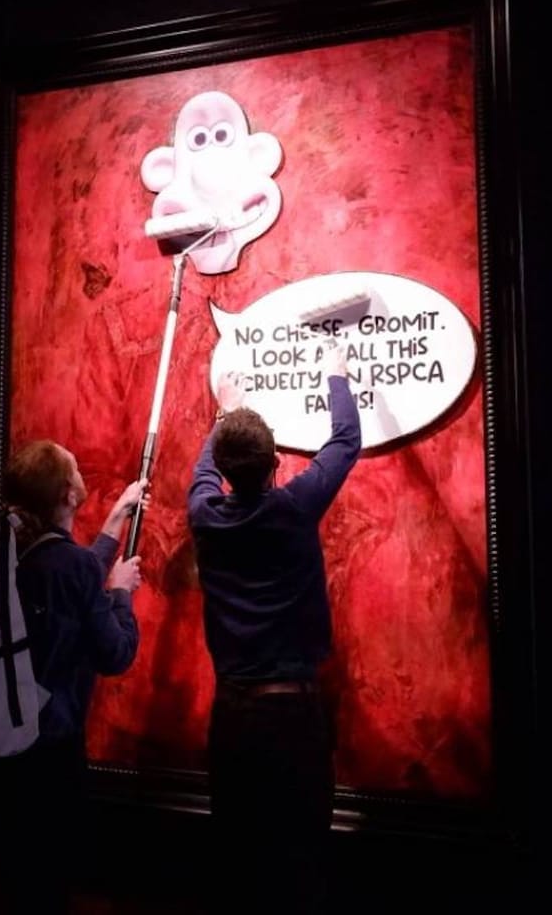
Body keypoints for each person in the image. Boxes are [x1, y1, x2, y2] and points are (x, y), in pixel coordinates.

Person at [190, 337, 361, 915]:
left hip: (233, 712)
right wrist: (336, 373)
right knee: (302, 853)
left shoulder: (204, 515)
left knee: (238, 852)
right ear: (277, 464)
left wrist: (224, 413)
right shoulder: (293, 507)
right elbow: (345, 441)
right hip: (292, 712)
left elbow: (205, 470)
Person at [0, 441, 148, 914]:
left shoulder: (13, 551)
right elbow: (115, 654)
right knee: (49, 875)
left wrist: (115, 520)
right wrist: (120, 594)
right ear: (69, 494)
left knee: (17, 870)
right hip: (54, 748)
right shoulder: (71, 566)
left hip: (8, 739)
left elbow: (71, 582)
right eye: (75, 468)